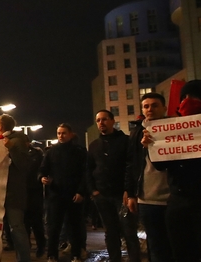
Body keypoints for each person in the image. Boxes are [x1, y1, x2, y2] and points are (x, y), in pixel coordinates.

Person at [152, 80, 201, 261]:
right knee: (181, 250)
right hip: (178, 201)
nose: (188, 101)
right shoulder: (170, 129)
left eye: (194, 97)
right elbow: (161, 165)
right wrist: (152, 148)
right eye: (184, 98)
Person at [86, 110, 140, 262]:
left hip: (121, 195)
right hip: (102, 195)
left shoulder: (125, 141)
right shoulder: (95, 145)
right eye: (98, 120)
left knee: (129, 231)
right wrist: (93, 191)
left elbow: (131, 166)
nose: (101, 123)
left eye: (104, 119)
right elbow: (89, 169)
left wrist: (129, 191)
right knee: (110, 232)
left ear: (112, 121)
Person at [125, 92, 172, 262]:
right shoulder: (137, 132)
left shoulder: (174, 128)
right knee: (155, 244)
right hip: (147, 198)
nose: (150, 109)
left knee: (174, 243)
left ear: (164, 108)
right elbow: (131, 164)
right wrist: (130, 193)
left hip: (172, 197)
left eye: (154, 105)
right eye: (146, 106)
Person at [39, 123, 87, 262]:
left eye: (64, 133)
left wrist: (81, 192)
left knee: (74, 227)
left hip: (73, 195)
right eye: (59, 133)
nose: (61, 136)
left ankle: (76, 254)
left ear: (70, 134)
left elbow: (85, 173)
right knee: (54, 228)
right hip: (56, 195)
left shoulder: (79, 151)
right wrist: (42, 178)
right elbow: (43, 169)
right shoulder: (51, 152)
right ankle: (52, 255)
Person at [0, 114, 31, 262]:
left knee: (16, 228)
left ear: (1, 127)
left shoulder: (15, 142)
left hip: (13, 195)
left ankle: (24, 259)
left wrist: (11, 148)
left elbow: (23, 165)